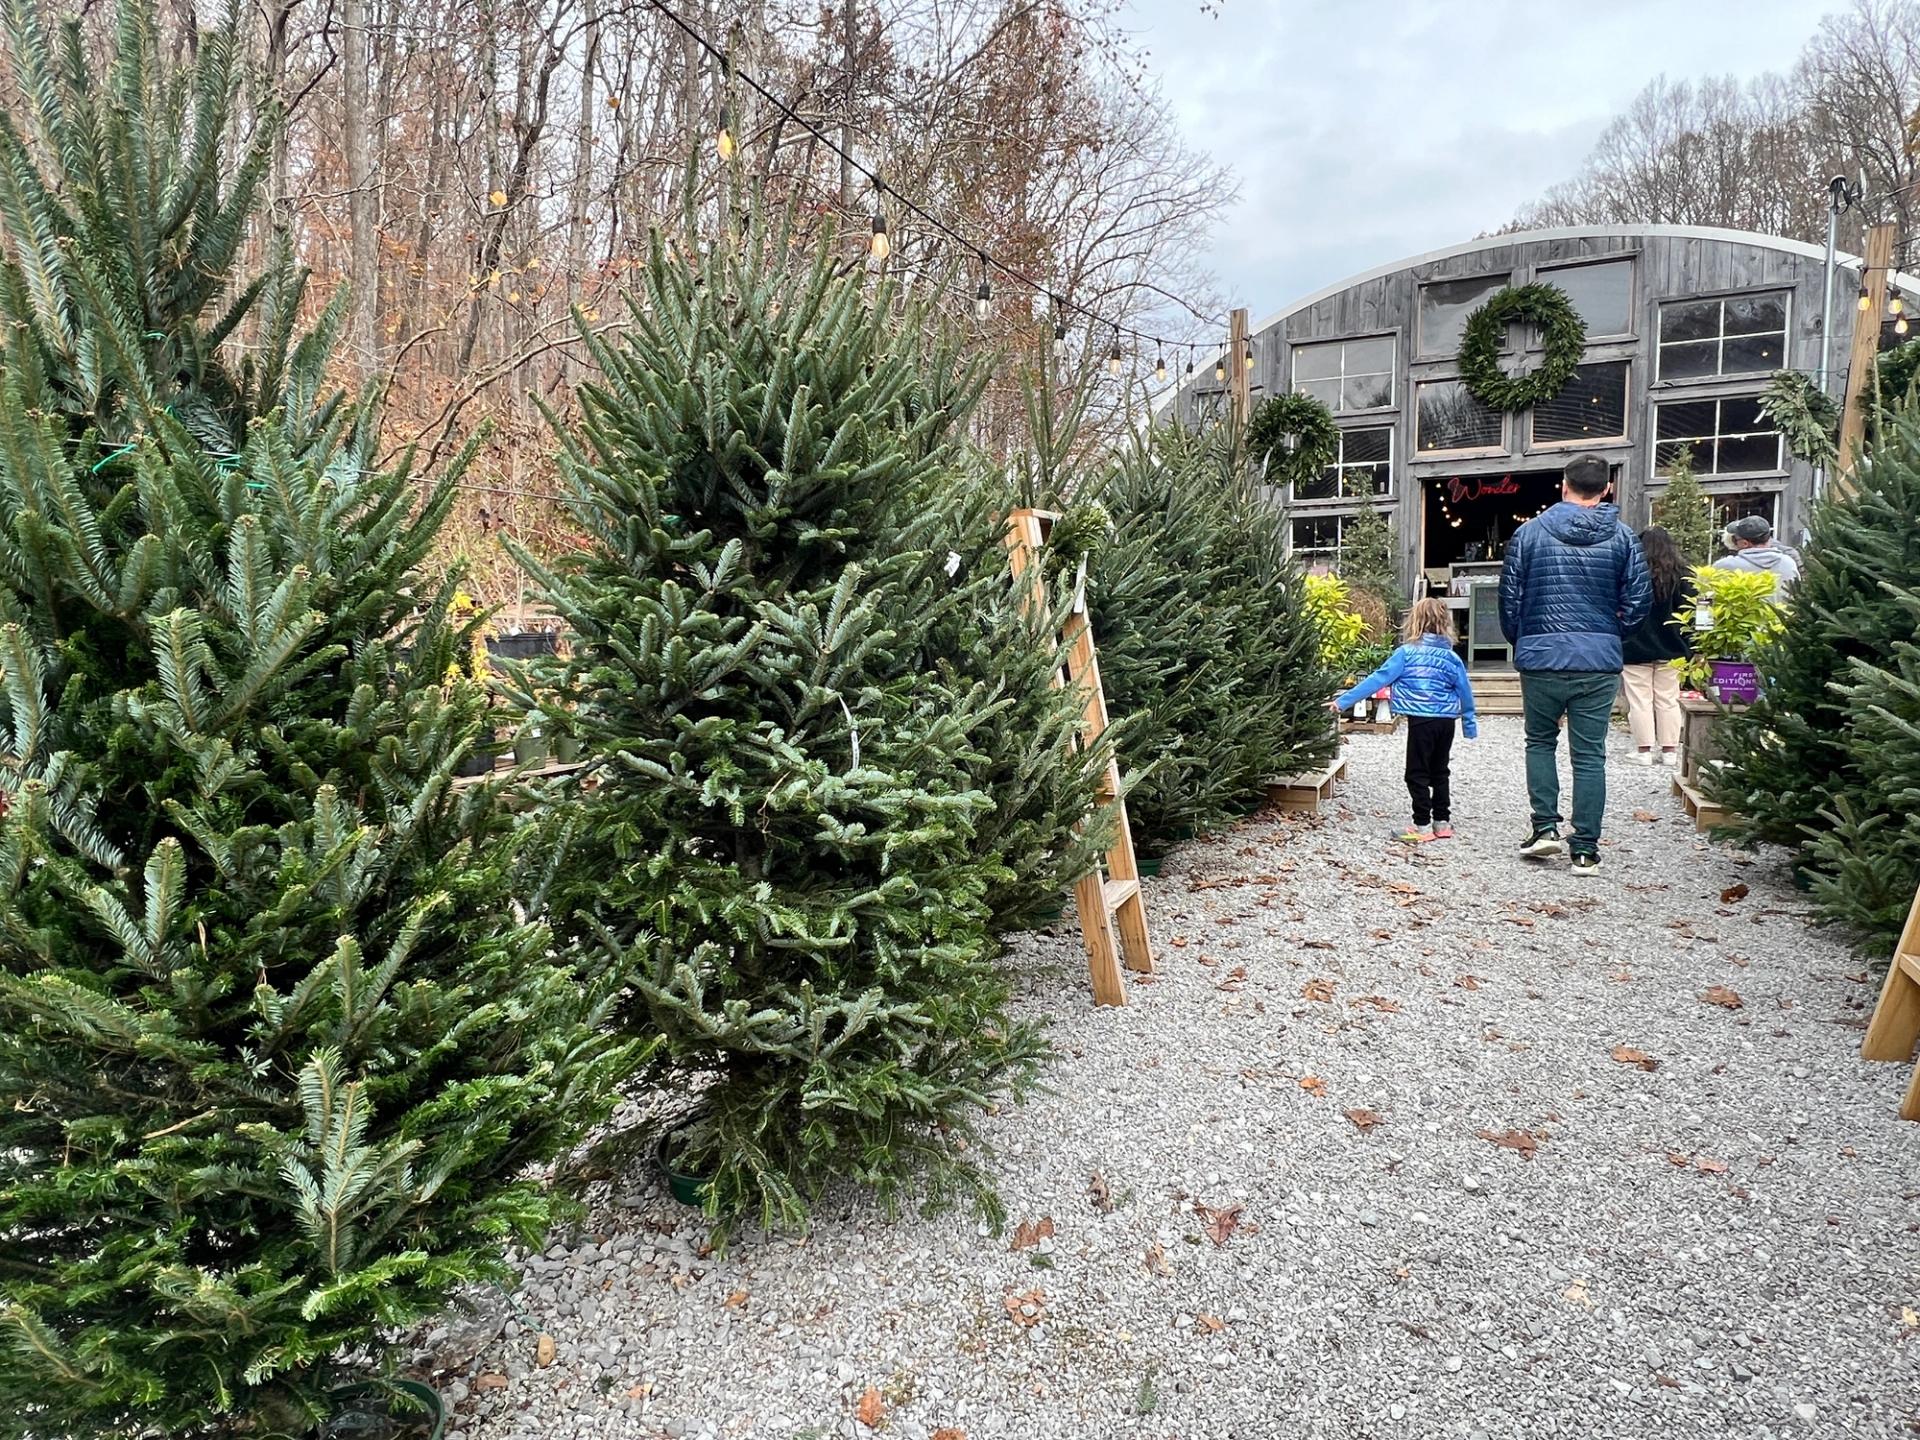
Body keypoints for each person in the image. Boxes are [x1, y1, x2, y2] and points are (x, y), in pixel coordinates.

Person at [1498, 454, 1651, 874]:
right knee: (1589, 756)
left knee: (1540, 742)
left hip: (1542, 656)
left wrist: (1525, 640)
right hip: (1597, 659)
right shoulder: (1623, 538)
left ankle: (1545, 828)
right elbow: (1638, 603)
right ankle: (1585, 849)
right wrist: (1608, 633)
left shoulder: (1528, 535)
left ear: (1563, 485)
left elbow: (1510, 602)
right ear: (1606, 489)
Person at [1333, 597, 1478, 844]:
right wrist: (1469, 724)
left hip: (1421, 719)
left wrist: (1342, 702)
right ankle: (1442, 822)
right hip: (1445, 721)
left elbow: (1378, 679)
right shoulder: (1452, 658)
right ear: (1444, 624)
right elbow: (1465, 691)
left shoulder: (1406, 654)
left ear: (1415, 622)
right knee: (1440, 770)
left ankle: (1421, 825)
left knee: (1416, 772)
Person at [1618, 525, 1692, 766]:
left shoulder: (1630, 574)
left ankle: (1644, 751)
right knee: (1668, 698)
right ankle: (1670, 750)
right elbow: (1690, 612)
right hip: (1672, 646)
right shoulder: (1683, 574)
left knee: (1640, 700)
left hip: (1636, 646)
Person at [1711, 514, 1798, 597]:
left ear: (1744, 543)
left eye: (1734, 539)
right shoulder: (1789, 563)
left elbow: (1707, 597)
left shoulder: (1723, 566)